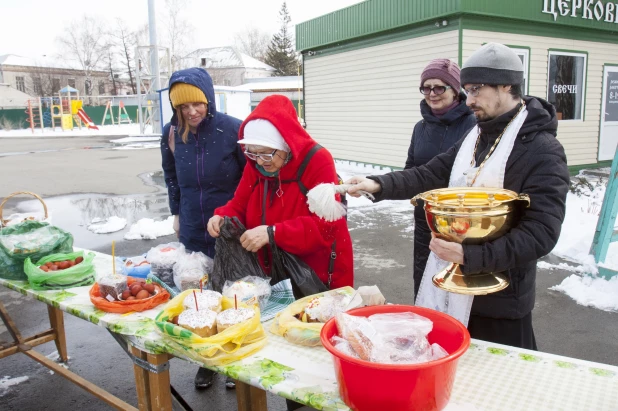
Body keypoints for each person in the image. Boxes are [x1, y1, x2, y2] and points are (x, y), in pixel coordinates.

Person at [346, 43, 570, 350]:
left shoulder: (542, 150)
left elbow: (541, 233)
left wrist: (470, 257)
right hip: (451, 289)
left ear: (506, 85)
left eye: (476, 90)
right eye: (467, 90)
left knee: (500, 388)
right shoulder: (475, 136)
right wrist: (376, 184)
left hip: (501, 305)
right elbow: (427, 174)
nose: (470, 100)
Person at [207, 94, 354, 292]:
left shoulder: (317, 161)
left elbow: (326, 227)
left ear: (285, 144)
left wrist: (273, 233)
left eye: (267, 153)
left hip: (313, 275)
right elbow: (240, 202)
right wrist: (222, 216)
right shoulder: (257, 165)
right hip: (273, 272)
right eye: (252, 152)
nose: (259, 161)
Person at [161, 67, 245, 389]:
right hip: (193, 227)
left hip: (227, 227)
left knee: (232, 294)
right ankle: (207, 359)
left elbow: (249, 180)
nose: (191, 111)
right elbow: (171, 176)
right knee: (200, 297)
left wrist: (237, 219)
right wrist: (176, 213)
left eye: (197, 103)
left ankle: (233, 354)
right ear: (176, 108)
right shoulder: (172, 134)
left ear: (208, 100)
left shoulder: (232, 130)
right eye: (183, 106)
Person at [406, 59, 476, 299]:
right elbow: (411, 169)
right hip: (425, 220)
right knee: (424, 280)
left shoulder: (474, 125)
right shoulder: (420, 128)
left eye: (439, 87)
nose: (432, 93)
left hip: (460, 224)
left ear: (456, 90)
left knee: (454, 289)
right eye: (426, 87)